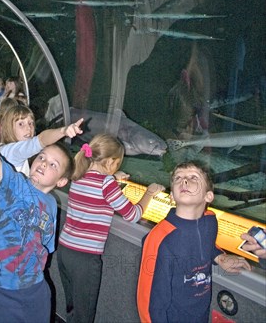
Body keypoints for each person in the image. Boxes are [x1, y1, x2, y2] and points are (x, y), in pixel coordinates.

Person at [0, 91, 83, 323]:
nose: (43, 163)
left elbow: (45, 244)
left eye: (53, 164)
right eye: (42, 158)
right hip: (0, 285)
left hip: (34, 287)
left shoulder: (52, 204)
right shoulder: (15, 184)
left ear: (62, 181)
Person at [57, 134, 165, 323]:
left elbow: (96, 187)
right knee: (85, 314)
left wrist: (112, 176)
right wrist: (149, 193)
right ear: (111, 162)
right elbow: (133, 214)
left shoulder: (79, 175)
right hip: (85, 258)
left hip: (65, 251)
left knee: (73, 308)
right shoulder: (107, 183)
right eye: (117, 164)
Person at [137, 161, 251, 323]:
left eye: (193, 177)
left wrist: (220, 257)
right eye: (178, 178)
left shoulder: (210, 221)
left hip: (200, 315)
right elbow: (148, 297)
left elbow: (207, 246)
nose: (184, 181)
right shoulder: (161, 238)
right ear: (172, 196)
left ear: (208, 195)